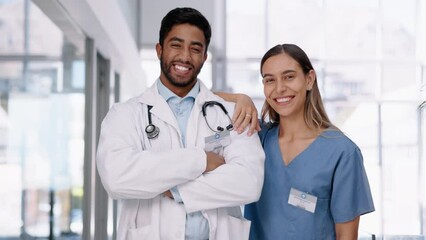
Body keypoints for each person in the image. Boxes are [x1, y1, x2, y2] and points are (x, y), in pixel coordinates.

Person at [95, 7, 265, 240]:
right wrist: (202, 160)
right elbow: (117, 177)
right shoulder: (124, 115)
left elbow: (248, 181)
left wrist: (172, 188)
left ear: (205, 57)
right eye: (176, 45)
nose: (185, 56)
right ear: (159, 49)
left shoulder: (232, 113)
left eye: (195, 49)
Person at [218, 44, 375, 240]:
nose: (279, 88)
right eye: (270, 80)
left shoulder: (342, 152)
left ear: (309, 80)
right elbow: (198, 96)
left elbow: (346, 235)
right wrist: (241, 98)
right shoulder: (254, 136)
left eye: (289, 77)